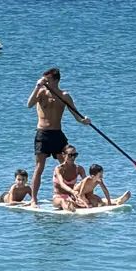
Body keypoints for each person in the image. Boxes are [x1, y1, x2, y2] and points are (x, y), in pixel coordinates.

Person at [27, 67, 91, 204]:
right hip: (42, 134)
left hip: (57, 134)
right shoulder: (41, 92)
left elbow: (76, 115)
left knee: (66, 166)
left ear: (56, 80)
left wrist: (84, 121)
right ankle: (33, 199)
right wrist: (37, 86)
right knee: (39, 167)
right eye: (44, 79)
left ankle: (72, 196)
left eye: (48, 80)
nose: (45, 82)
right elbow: (29, 104)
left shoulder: (64, 96)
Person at [51, 145, 88, 210]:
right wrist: (72, 191)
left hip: (72, 196)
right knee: (63, 201)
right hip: (59, 197)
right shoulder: (59, 169)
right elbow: (62, 184)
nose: (73, 157)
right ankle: (70, 210)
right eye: (70, 155)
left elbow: (86, 182)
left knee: (92, 201)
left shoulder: (79, 169)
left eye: (75, 155)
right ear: (63, 155)